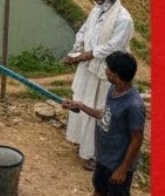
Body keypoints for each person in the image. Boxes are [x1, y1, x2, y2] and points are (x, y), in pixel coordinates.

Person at [64, 0, 134, 170]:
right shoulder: (96, 10)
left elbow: (112, 47)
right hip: (88, 68)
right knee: (80, 101)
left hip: (106, 73)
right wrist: (76, 50)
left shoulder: (123, 19)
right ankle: (80, 143)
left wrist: (86, 55)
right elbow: (84, 31)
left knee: (98, 111)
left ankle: (93, 153)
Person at [61, 51, 144, 196]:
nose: (105, 70)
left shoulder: (134, 105)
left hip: (117, 164)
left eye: (107, 68)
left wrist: (123, 169)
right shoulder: (113, 89)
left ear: (115, 76)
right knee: (99, 190)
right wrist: (80, 106)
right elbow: (104, 114)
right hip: (103, 158)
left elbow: (137, 138)